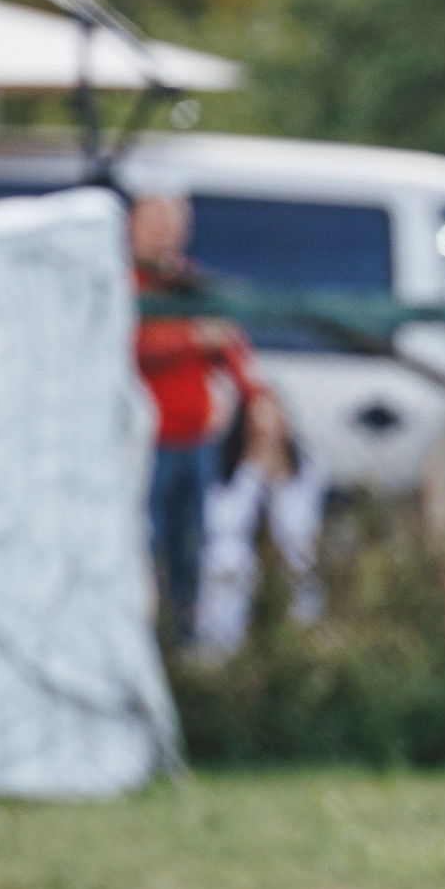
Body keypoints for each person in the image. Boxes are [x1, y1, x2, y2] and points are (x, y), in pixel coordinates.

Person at [131, 185, 262, 646]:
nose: (168, 235)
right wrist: (190, 340)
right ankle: (146, 643)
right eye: (157, 223)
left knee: (192, 549)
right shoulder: (124, 287)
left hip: (196, 442)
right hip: (147, 445)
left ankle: (185, 642)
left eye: (175, 225)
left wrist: (256, 398)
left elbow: (233, 349)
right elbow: (129, 350)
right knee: (145, 549)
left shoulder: (192, 284)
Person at [195, 389, 327, 660]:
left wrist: (279, 482)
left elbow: (300, 527)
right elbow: (224, 523)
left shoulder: (305, 467)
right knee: (227, 560)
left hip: (287, 567)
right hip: (234, 570)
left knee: (299, 567)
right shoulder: (224, 467)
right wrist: (252, 474)